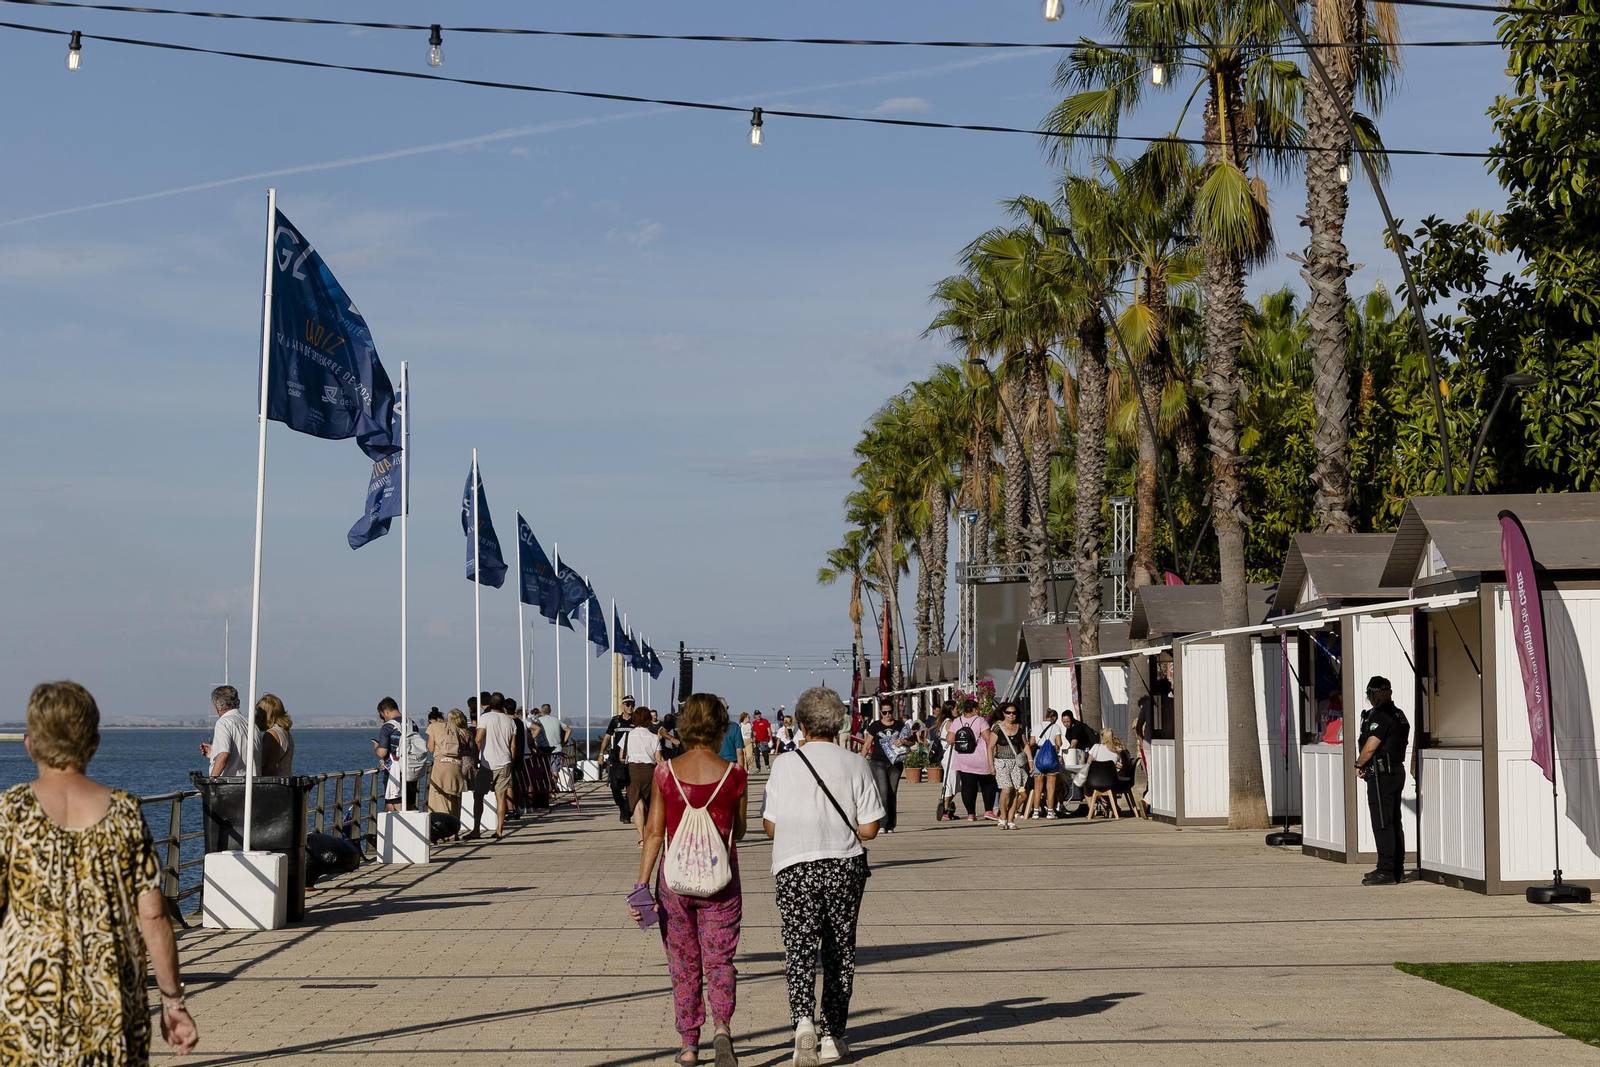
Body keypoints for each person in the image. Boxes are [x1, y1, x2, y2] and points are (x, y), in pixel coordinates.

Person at [2, 681, 199, 1062]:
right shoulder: (124, 814)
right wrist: (173, 1001)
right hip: (110, 1001)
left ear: (29, 744)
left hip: (25, 1000)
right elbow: (154, 914)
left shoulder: (9, 813)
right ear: (93, 743)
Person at [762, 687, 883, 1067]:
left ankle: (802, 1022)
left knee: (798, 946)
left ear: (801, 725)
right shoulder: (854, 763)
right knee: (839, 949)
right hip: (843, 863)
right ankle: (833, 1034)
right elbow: (870, 829)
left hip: (795, 864)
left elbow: (769, 826)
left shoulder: (784, 764)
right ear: (839, 724)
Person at [632, 693, 750, 1067]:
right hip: (722, 882)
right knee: (720, 961)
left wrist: (641, 887)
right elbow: (741, 832)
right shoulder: (735, 775)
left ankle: (688, 1045)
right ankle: (722, 1029)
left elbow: (653, 833)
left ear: (684, 726)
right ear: (719, 728)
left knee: (683, 964)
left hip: (674, 883)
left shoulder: (665, 772)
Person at [1355, 676, 1410, 886]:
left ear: (1375, 694)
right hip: (1396, 771)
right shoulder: (1399, 715)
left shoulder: (1383, 715)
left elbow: (1370, 746)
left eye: (1370, 695)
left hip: (1382, 774)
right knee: (1394, 822)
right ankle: (1397, 869)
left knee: (1382, 823)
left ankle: (1386, 870)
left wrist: (1359, 765)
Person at [474, 695, 517, 840]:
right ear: (503, 704)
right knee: (501, 797)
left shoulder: (485, 718)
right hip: (504, 761)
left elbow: (478, 739)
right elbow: (513, 745)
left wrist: (476, 757)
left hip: (487, 763)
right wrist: (510, 761)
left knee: (478, 795)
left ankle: (476, 829)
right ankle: (499, 830)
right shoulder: (510, 721)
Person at [861, 702, 910, 833]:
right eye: (885, 712)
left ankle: (891, 825)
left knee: (892, 793)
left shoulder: (900, 725)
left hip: (895, 763)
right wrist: (860, 761)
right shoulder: (875, 726)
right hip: (878, 762)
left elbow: (911, 741)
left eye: (890, 712)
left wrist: (903, 741)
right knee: (883, 792)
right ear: (880, 713)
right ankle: (882, 824)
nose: (888, 715)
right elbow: (867, 744)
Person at [946, 700, 996, 821]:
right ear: (974, 709)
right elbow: (988, 739)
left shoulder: (958, 721)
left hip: (963, 759)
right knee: (988, 784)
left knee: (968, 787)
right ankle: (988, 811)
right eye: (977, 709)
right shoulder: (980, 720)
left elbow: (949, 739)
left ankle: (971, 814)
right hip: (981, 759)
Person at [986, 703, 1032, 830]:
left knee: (1015, 791)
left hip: (1017, 763)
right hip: (1001, 761)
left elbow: (1025, 745)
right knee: (1006, 789)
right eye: (1008, 712)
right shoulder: (997, 728)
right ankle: (1002, 817)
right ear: (1003, 713)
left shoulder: (1020, 728)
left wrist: (1030, 760)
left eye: (1014, 713)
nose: (1011, 715)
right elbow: (990, 747)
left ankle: (1011, 819)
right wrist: (991, 765)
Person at [624, 705, 663, 847]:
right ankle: (648, 833)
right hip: (650, 771)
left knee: (638, 805)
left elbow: (622, 755)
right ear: (648, 720)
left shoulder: (629, 735)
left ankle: (641, 838)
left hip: (633, 770)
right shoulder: (653, 737)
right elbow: (659, 759)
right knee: (648, 805)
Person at [200, 683, 259, 778]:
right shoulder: (251, 724)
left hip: (231, 787)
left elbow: (224, 754)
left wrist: (211, 782)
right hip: (252, 786)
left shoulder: (224, 723)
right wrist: (215, 752)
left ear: (216, 706)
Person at [427, 709, 469, 830]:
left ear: (431, 719)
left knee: (439, 800)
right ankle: (454, 831)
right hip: (456, 766)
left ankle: (442, 831)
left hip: (441, 766)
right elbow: (461, 745)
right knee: (455, 799)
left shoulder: (432, 727)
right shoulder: (454, 726)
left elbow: (431, 748)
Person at [601, 696, 638, 822]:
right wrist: (601, 754)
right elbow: (607, 737)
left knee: (631, 786)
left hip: (633, 757)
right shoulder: (615, 721)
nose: (630, 707)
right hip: (618, 758)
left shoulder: (636, 720)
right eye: (628, 704)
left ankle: (626, 813)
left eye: (632, 704)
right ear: (623, 705)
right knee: (615, 786)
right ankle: (622, 806)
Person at [373, 697, 413, 813]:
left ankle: (395, 830)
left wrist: (376, 747)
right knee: (409, 803)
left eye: (381, 716)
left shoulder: (388, 727)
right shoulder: (411, 723)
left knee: (393, 803)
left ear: (385, 712)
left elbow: (382, 752)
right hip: (412, 768)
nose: (382, 719)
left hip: (394, 772)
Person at [1026, 710, 1064, 819]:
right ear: (1055, 717)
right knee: (1051, 787)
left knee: (1038, 786)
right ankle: (1050, 811)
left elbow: (1032, 741)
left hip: (1039, 754)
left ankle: (1036, 811)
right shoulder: (1056, 727)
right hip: (1051, 755)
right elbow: (1059, 743)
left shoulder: (1037, 726)